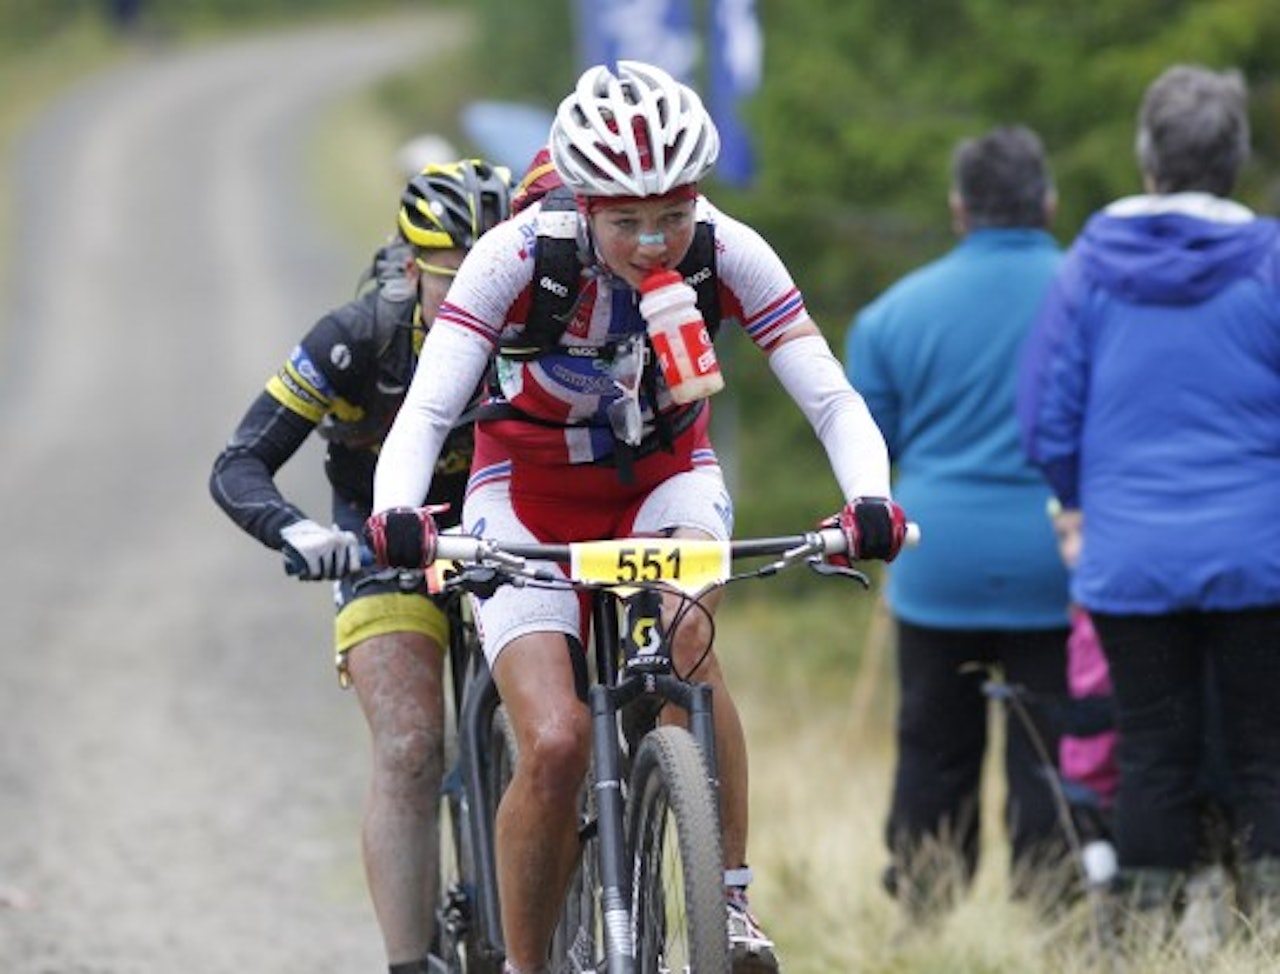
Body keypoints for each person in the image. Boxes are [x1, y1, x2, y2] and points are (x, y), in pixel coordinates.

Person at [365, 60, 908, 974]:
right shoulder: (518, 258)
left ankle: (728, 908)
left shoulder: (725, 248)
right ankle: (527, 964)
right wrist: (397, 515)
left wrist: (870, 502)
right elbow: (424, 412)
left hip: (665, 479)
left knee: (686, 656)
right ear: (584, 206)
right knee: (557, 737)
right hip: (525, 494)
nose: (655, 241)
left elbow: (830, 397)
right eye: (627, 221)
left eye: (674, 214)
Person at [209, 159, 513, 974]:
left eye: (493, 278)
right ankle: (408, 962)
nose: (480, 304)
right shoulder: (354, 340)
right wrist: (296, 533)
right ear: (411, 269)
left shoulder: (539, 326)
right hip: (378, 539)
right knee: (412, 744)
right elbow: (239, 463)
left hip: (506, 532)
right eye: (454, 280)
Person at [1018, 63, 1280, 940]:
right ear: (1235, 160)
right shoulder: (1271, 262)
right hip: (1261, 556)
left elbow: (1047, 418)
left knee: (1152, 756)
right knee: (1266, 756)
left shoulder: (1089, 269)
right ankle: (1264, 934)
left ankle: (1143, 948)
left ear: (1147, 160)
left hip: (1130, 560)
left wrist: (1078, 500)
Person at [844, 125, 1073, 920]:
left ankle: (925, 908)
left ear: (957, 209)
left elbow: (873, 449)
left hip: (936, 563)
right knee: (1056, 752)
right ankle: (1056, 913)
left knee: (934, 753)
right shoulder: (1093, 293)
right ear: (1046, 201)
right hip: (1063, 562)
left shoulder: (889, 317)